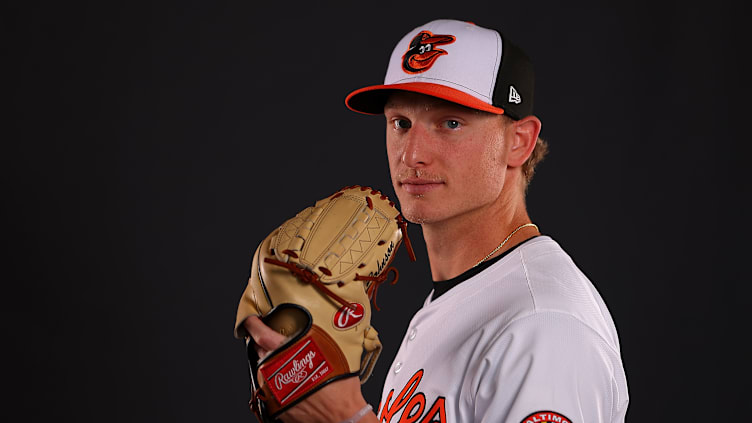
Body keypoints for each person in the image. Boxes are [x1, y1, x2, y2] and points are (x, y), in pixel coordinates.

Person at [239, 19, 629, 423]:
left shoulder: (544, 323)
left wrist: (347, 417)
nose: (412, 155)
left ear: (519, 141)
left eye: (450, 123)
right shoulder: (462, 296)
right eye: (401, 123)